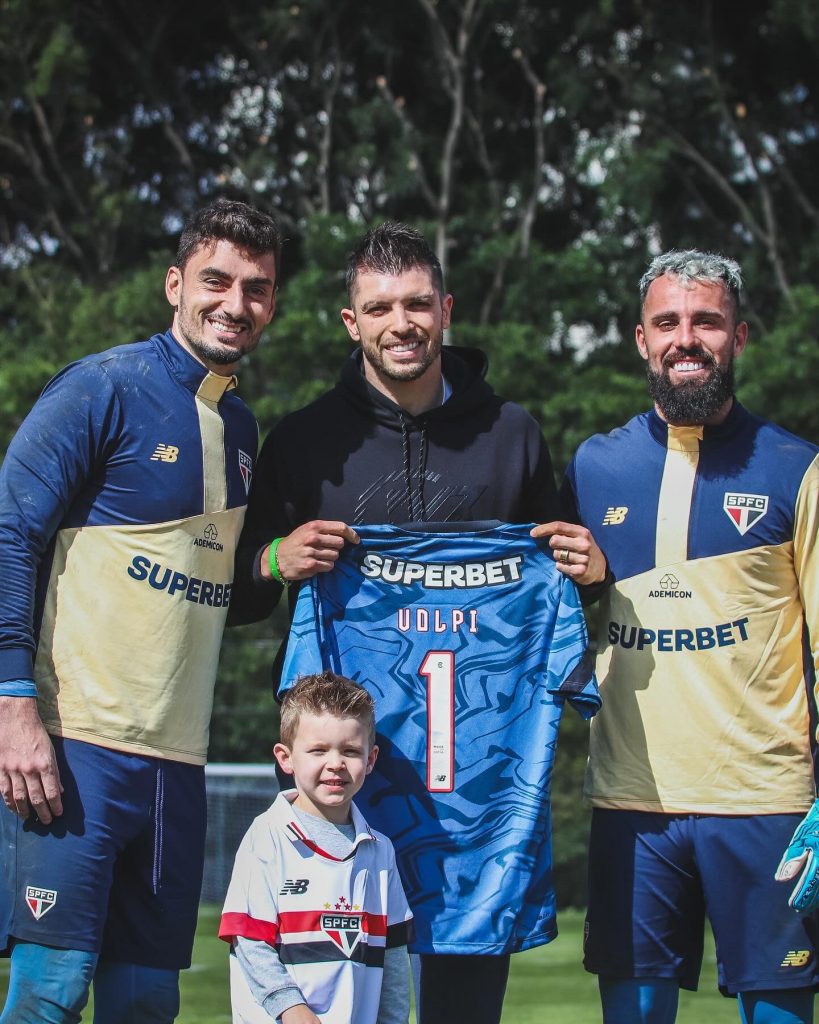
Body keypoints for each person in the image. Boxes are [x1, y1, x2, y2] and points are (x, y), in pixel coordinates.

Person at [228, 221, 606, 1024]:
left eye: (417, 304)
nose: (400, 322)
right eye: (380, 307)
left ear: (446, 310)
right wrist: (272, 560)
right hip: (337, 783)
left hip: (478, 798)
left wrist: (590, 577)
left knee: (463, 1011)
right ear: (350, 321)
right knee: (332, 1006)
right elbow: (236, 594)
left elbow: (555, 592)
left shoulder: (511, 434)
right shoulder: (301, 442)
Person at [0, 198, 281, 1023]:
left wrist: (273, 560)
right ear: (175, 284)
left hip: (176, 772)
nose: (235, 303)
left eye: (257, 288)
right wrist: (13, 701)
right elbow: (8, 532)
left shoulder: (241, 429)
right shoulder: (102, 387)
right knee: (49, 996)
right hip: (73, 752)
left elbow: (218, 593)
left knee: (146, 1005)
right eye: (216, 281)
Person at [551, 249, 819, 1024]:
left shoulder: (796, 469)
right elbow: (564, 602)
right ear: (640, 339)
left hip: (767, 804)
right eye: (666, 322)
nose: (685, 338)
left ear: (739, 336)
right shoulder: (594, 466)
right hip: (633, 803)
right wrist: (596, 580)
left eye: (706, 321)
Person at [219, 671, 413, 1024]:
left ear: (370, 760)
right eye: (319, 750)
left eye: (350, 751)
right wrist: (292, 1010)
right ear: (286, 757)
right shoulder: (267, 836)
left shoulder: (380, 852)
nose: (335, 763)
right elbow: (250, 943)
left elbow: (394, 958)